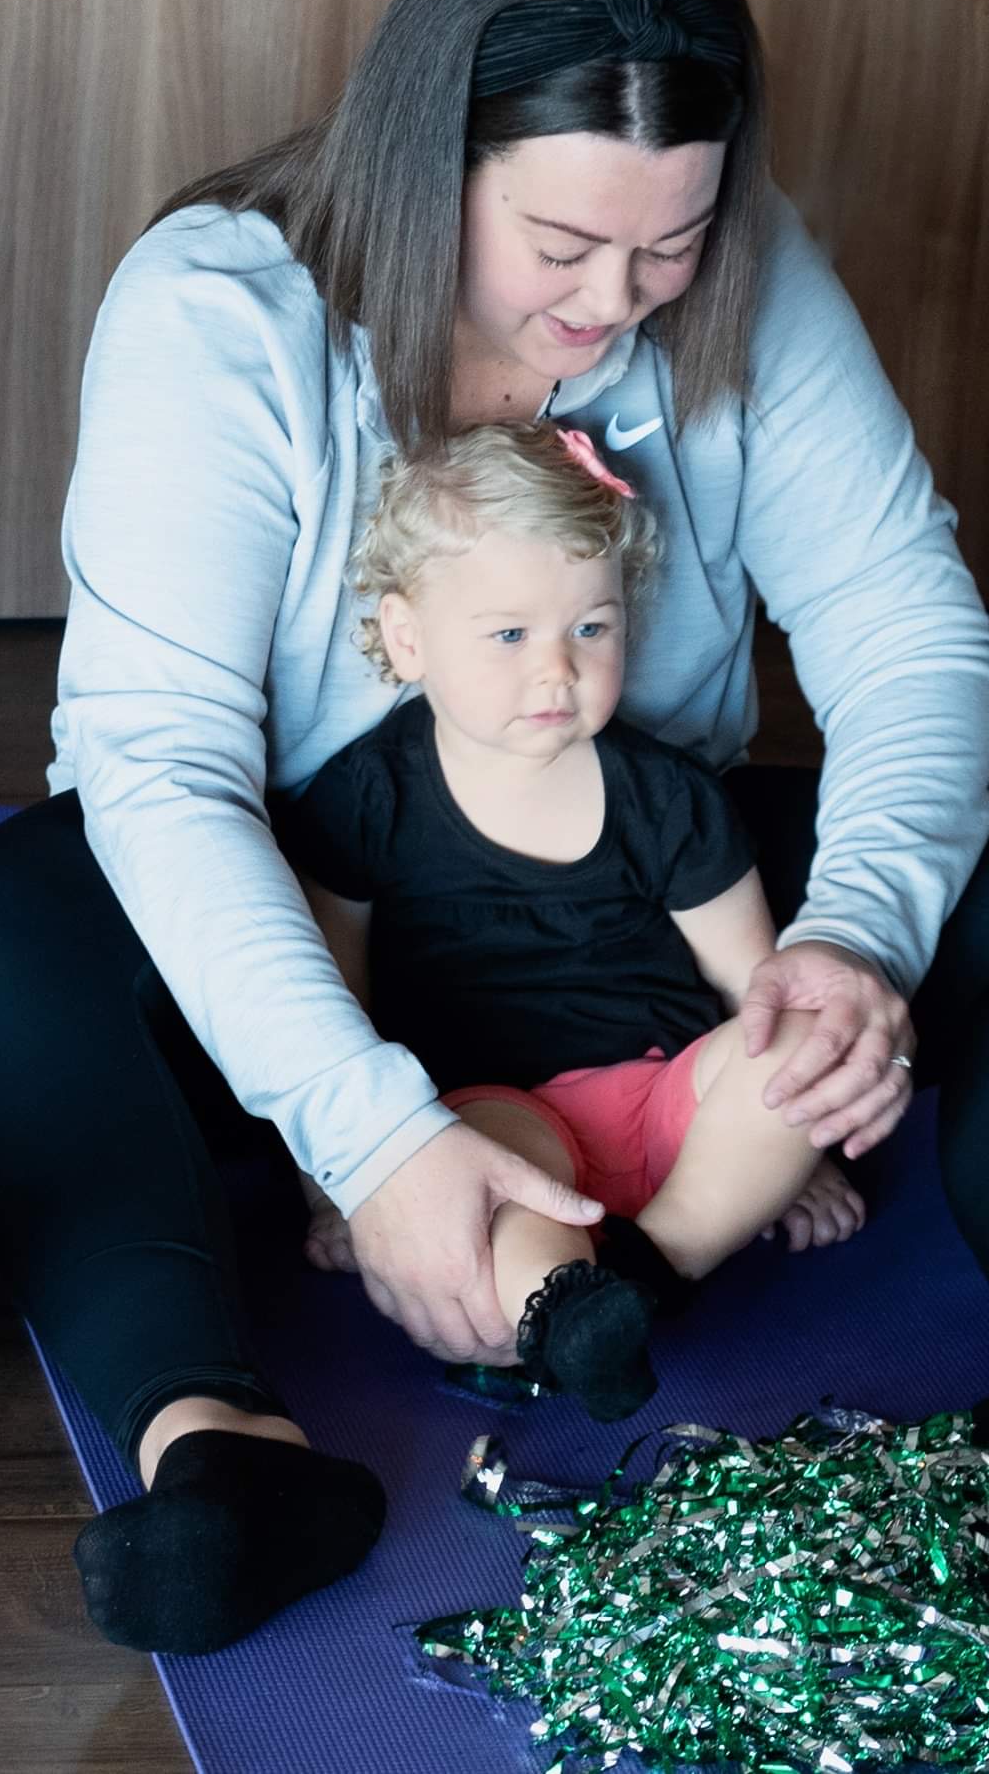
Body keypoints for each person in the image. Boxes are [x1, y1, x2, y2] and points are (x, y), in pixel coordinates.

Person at [0, 0, 989, 1660]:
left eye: (671, 249)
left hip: (638, 907)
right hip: (318, 925)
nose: (612, 302)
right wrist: (376, 1135)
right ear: (433, 166)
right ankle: (224, 1452)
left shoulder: (743, 274)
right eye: (562, 241)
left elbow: (908, 633)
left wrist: (852, 945)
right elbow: (162, 764)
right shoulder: (219, 308)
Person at [278, 420, 840, 1423]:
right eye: (509, 634)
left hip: (669, 1093)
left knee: (798, 1043)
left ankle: (655, 1264)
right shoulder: (370, 797)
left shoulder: (666, 795)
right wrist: (339, 1179)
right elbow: (329, 1003)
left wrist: (797, 1147)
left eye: (591, 628)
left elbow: (754, 986)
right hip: (494, 1115)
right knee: (495, 1194)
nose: (557, 671)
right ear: (408, 639)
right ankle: (574, 1308)